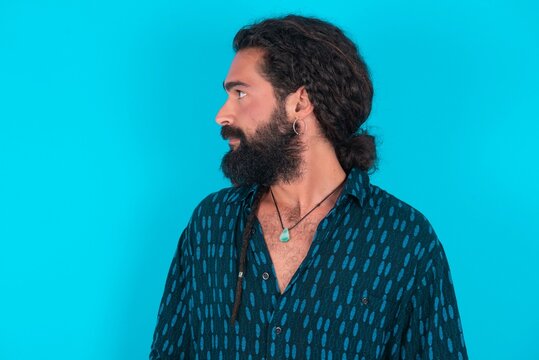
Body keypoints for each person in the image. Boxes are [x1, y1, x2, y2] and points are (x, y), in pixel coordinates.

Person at [149, 14, 468, 360]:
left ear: (300, 102)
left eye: (240, 93)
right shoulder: (211, 224)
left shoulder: (405, 240)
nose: (222, 115)